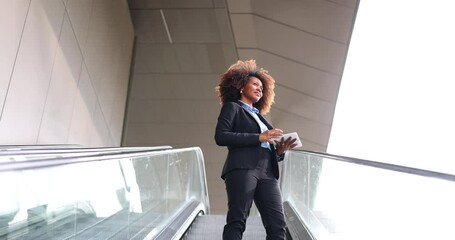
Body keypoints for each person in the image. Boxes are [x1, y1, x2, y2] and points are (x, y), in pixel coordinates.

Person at [214, 59, 297, 240]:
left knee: (278, 226)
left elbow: (267, 146)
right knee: (238, 219)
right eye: (255, 84)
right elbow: (221, 137)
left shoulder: (262, 119)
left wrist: (280, 151)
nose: (259, 88)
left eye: (261, 87)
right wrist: (260, 137)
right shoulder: (233, 108)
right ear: (241, 87)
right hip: (243, 167)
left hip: (268, 172)